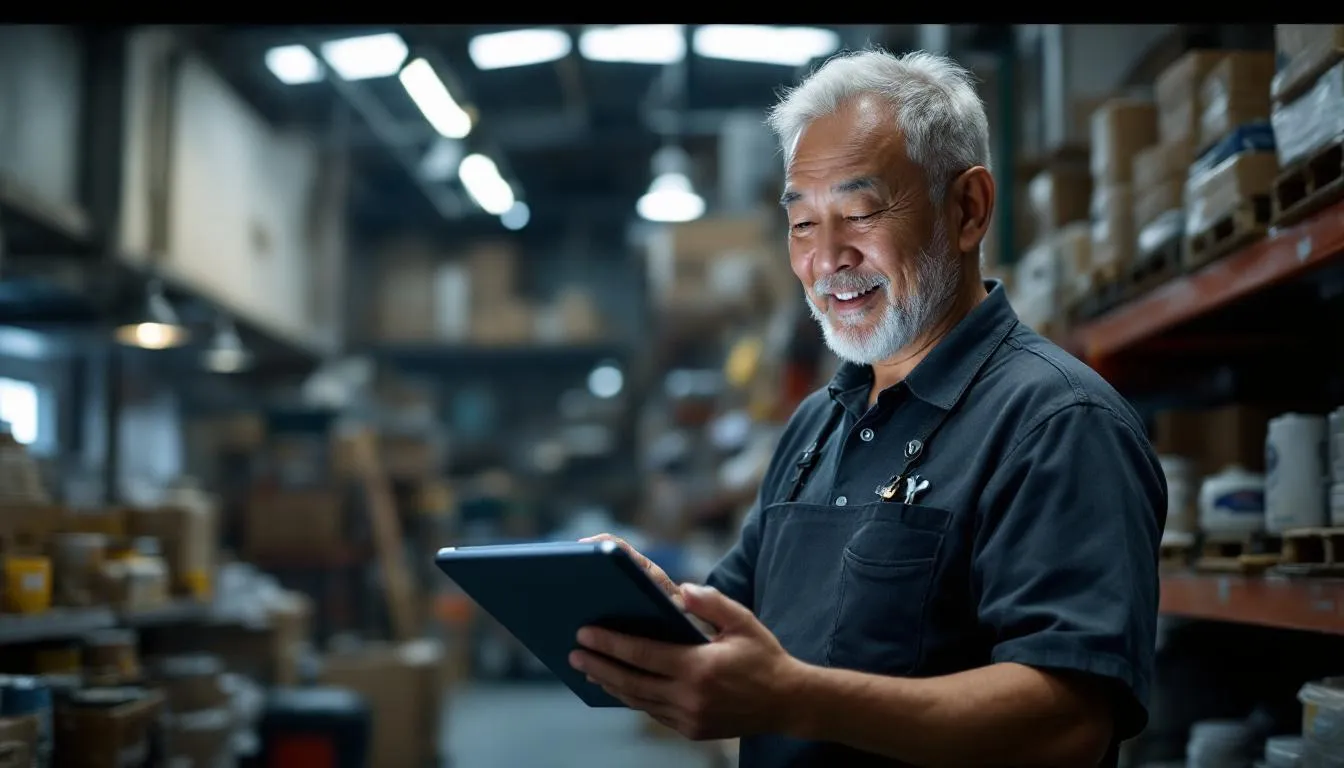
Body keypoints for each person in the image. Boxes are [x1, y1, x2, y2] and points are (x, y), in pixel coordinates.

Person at [575, 48, 1165, 768]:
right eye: (801, 225)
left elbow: (1069, 722)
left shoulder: (1057, 424)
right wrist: (654, 608)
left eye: (858, 212)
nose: (827, 259)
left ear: (968, 209)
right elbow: (742, 620)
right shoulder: (816, 429)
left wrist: (795, 700)